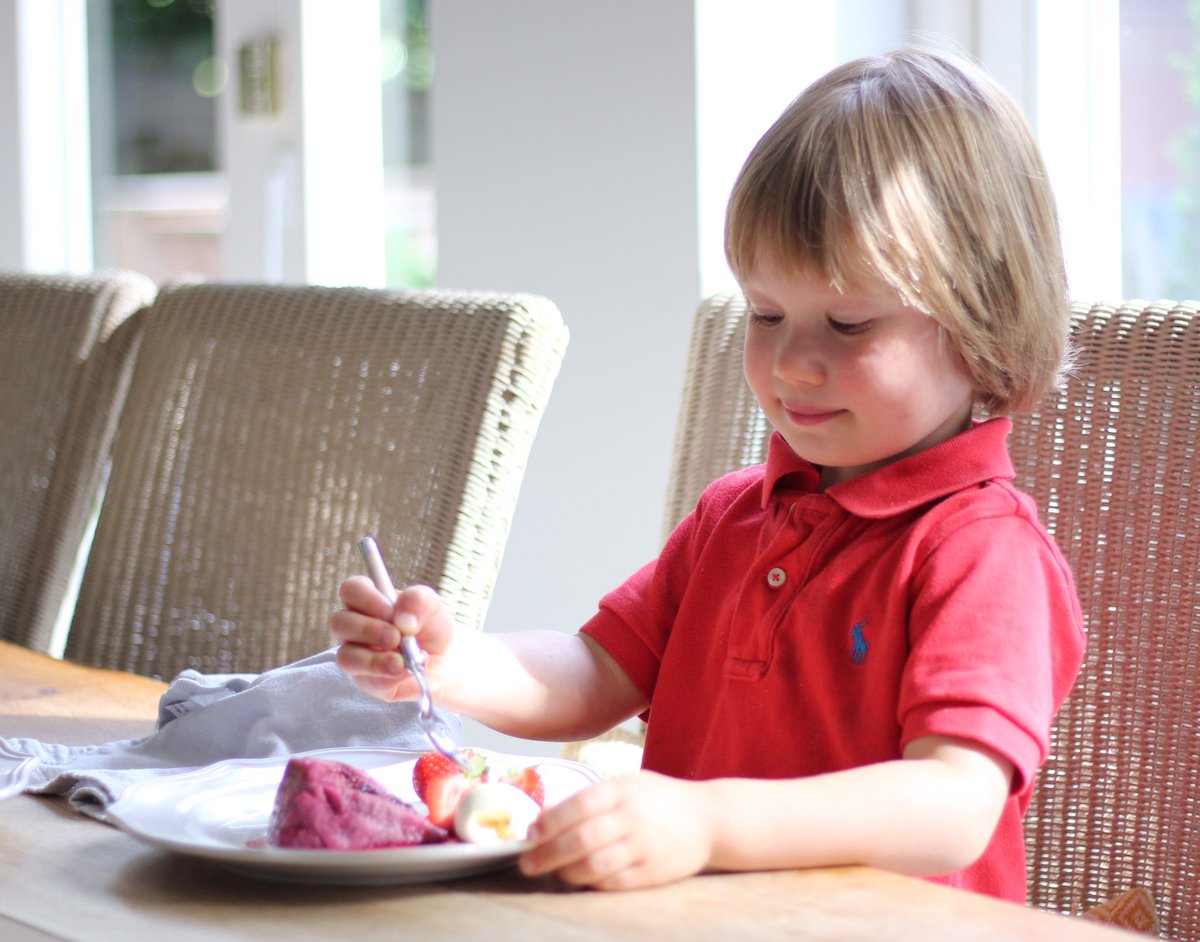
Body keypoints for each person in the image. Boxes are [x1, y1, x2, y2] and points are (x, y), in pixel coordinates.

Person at [331, 47, 1085, 901]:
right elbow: (596, 672)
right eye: (766, 313)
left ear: (983, 322)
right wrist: (455, 661)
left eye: (847, 322)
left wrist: (705, 822)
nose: (794, 362)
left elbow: (951, 806)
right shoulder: (734, 517)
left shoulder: (983, 552)